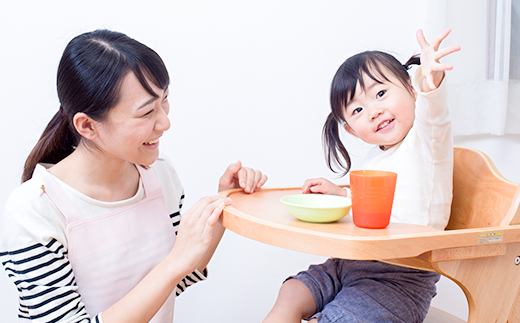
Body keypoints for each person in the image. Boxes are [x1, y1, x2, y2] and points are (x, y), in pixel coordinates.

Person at [0, 29, 267, 323]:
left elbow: (176, 278)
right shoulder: (34, 209)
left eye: (164, 100)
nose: (165, 122)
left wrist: (221, 203)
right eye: (145, 113)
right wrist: (176, 261)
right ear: (87, 126)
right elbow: (173, 266)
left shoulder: (159, 174)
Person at [263, 29, 460, 323]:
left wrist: (430, 81)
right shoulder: (376, 155)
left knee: (335, 318)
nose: (374, 111)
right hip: (351, 261)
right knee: (292, 291)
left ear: (410, 88)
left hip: (399, 278)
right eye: (357, 109)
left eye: (381, 93)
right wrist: (342, 195)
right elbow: (382, 204)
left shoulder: (427, 140)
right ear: (352, 130)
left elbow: (434, 112)